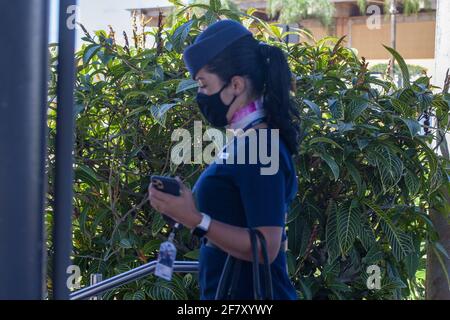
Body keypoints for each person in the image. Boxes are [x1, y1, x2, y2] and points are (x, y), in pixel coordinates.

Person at [148, 19, 300, 300]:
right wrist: (186, 207)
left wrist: (195, 219)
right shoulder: (249, 140)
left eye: (204, 85)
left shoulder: (261, 145)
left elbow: (267, 246)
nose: (200, 96)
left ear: (236, 85)